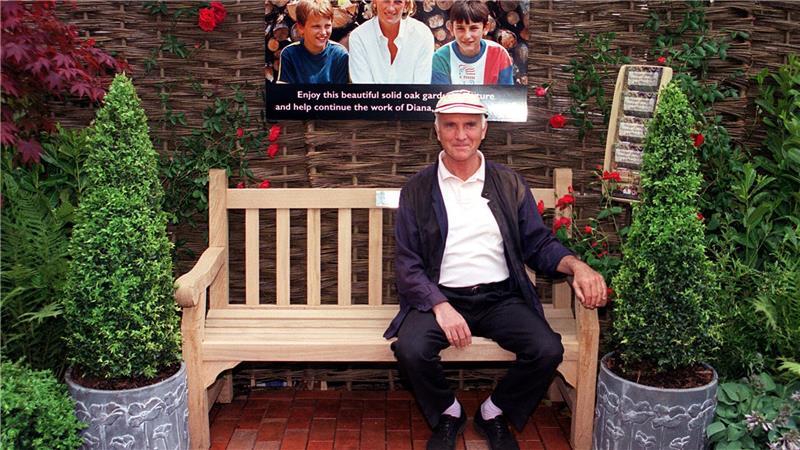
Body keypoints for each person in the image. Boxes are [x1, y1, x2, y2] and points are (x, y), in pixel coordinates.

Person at [385, 90, 607, 450]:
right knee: (410, 349)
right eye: (451, 126)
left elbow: (537, 244)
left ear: (484, 129)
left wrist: (576, 266)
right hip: (441, 299)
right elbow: (407, 264)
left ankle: (494, 411)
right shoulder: (417, 189)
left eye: (470, 125)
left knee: (546, 349)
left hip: (500, 297)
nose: (461, 135)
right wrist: (440, 306)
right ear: (437, 130)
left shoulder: (508, 184)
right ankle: (448, 411)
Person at [348, 0, 434, 83]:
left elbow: (421, 89)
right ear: (374, 2)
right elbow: (364, 91)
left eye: (398, 1)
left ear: (406, 5)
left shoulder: (423, 35)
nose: (391, 8)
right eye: (385, 1)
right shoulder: (359, 37)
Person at [432, 1, 514, 85]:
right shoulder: (440, 58)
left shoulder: (500, 54)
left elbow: (507, 95)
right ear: (451, 29)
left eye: (473, 28)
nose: (467, 36)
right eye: (460, 28)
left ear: (485, 28)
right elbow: (441, 96)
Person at [277, 0, 349, 84]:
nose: (323, 32)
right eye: (316, 26)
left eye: (327, 26)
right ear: (300, 28)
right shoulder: (289, 54)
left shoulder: (339, 54)